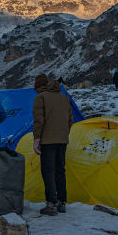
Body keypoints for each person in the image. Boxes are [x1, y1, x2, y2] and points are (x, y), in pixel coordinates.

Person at [32, 74, 73, 216]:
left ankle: (51, 203)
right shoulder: (64, 98)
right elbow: (70, 120)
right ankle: (62, 202)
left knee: (48, 171)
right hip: (62, 140)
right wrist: (63, 134)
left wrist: (36, 140)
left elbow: (39, 121)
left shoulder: (40, 98)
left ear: (38, 87)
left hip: (47, 141)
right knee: (60, 170)